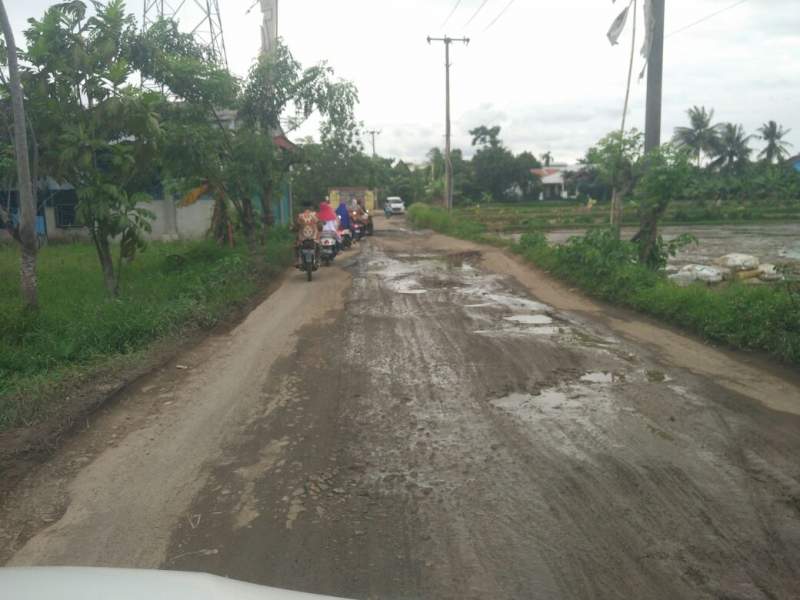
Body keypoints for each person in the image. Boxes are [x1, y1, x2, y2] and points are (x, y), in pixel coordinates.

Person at [294, 199, 320, 267]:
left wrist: (294, 228)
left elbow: (296, 226)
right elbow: (320, 225)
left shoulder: (300, 216)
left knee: (296, 246)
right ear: (311, 207)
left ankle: (297, 261)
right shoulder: (315, 215)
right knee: (318, 246)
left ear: (302, 207)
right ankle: (317, 260)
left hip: (302, 237)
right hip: (313, 236)